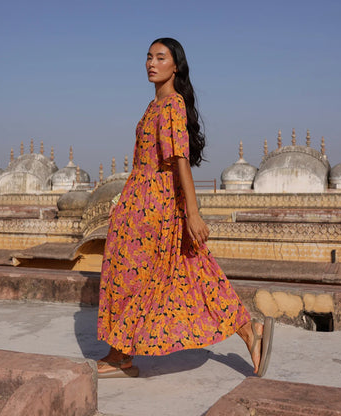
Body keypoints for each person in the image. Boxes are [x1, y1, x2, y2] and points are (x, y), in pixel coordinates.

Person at [97, 37, 273, 378]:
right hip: (140, 201)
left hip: (155, 207)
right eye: (148, 57)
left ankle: (120, 356)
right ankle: (249, 331)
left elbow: (180, 161)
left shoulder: (172, 105)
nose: (151, 63)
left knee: (131, 275)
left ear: (175, 65)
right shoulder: (154, 106)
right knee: (189, 270)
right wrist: (123, 201)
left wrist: (192, 213)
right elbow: (144, 163)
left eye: (160, 57)